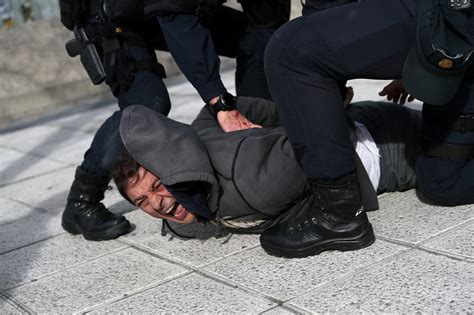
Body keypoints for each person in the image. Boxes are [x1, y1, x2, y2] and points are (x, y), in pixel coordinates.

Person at [58, 0, 290, 240]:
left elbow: (267, 17)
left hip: (159, 8)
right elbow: (176, 18)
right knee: (146, 103)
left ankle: (257, 143)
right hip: (110, 15)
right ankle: (81, 201)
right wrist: (221, 104)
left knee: (259, 42)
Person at [262, 0, 474, 257]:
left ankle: (338, 215)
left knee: (290, 51)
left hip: (452, 12)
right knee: (442, 185)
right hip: (458, 37)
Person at [111, 97, 420, 246]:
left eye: (157, 186)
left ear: (171, 166)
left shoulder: (255, 184)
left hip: (385, 149)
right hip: (363, 120)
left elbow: (316, 143)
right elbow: (214, 111)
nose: (157, 204)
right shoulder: (194, 139)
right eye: (142, 202)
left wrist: (289, 117)